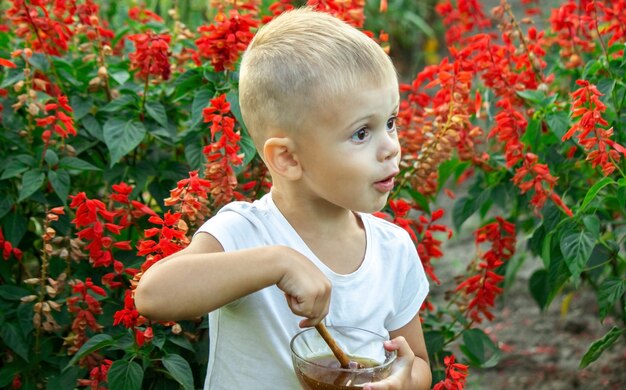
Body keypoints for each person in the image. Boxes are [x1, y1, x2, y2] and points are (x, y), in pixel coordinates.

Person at [135, 7, 431, 389]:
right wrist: (277, 262)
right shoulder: (245, 232)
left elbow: (418, 361)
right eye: (362, 133)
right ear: (288, 158)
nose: (390, 147)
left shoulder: (394, 250)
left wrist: (402, 383)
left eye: (390, 122)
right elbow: (153, 295)